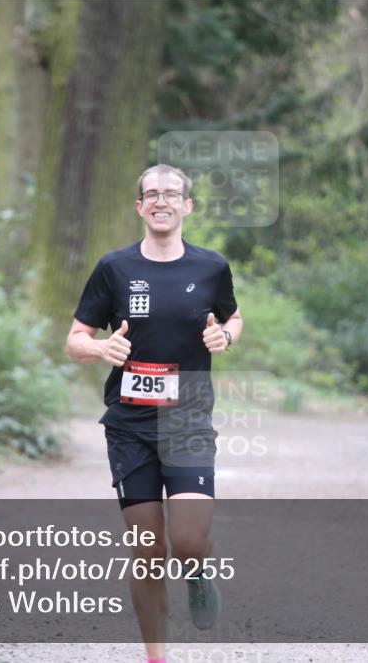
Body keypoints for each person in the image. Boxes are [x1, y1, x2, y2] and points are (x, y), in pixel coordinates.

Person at [66, 164, 243, 663]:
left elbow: (233, 316)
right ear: (139, 206)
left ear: (187, 206)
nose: (161, 200)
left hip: (187, 419)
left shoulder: (210, 267)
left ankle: (199, 570)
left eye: (172, 193)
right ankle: (156, 657)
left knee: (187, 539)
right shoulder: (114, 268)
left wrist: (224, 336)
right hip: (129, 425)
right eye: (151, 194)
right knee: (147, 552)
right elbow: (74, 339)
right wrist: (100, 350)